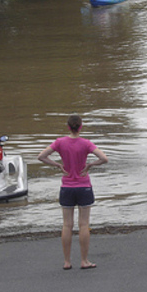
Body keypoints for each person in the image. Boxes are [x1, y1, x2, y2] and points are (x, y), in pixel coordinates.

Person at [38, 115, 108, 270]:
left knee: (67, 225)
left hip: (67, 186)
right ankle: (84, 260)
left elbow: (41, 156)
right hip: (83, 186)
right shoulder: (86, 143)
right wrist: (90, 165)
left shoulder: (60, 142)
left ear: (68, 127)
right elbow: (104, 158)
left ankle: (67, 261)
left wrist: (57, 165)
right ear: (80, 126)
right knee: (83, 224)